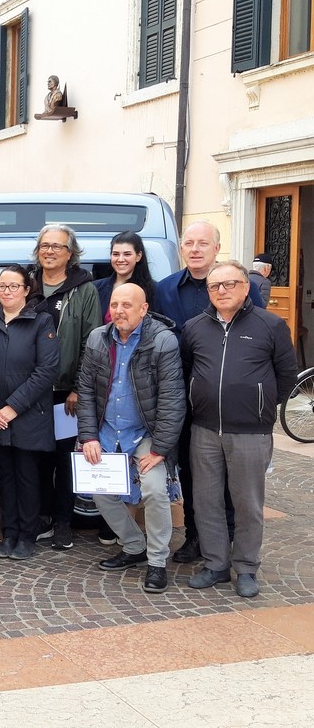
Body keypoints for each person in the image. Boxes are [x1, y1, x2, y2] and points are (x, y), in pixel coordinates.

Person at [153, 221, 267, 563]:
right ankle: (196, 536)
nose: (195, 249)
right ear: (180, 249)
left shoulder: (239, 285)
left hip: (234, 402)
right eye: (189, 243)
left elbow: (263, 339)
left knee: (234, 475)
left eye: (203, 243)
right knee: (192, 472)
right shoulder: (165, 288)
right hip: (184, 398)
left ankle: (231, 537)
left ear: (217, 248)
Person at [182, 261, 296, 598]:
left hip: (250, 432)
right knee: (206, 501)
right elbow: (188, 369)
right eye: (215, 286)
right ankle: (216, 563)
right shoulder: (194, 327)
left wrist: (260, 405)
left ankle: (246, 567)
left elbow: (287, 375)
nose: (221, 290)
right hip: (203, 429)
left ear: (246, 287)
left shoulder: (271, 325)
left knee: (248, 503)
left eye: (229, 284)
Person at [77, 284, 185, 594]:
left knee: (153, 490)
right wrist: (88, 436)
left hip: (146, 433)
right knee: (99, 491)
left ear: (144, 309)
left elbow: (172, 399)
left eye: (127, 304)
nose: (119, 310)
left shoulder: (162, 340)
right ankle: (134, 545)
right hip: (108, 431)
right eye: (115, 304)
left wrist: (162, 447)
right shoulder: (98, 337)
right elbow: (85, 391)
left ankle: (157, 561)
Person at [0, 265, 59, 561]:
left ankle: (27, 536)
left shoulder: (42, 321)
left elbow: (46, 371)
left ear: (26, 290)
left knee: (27, 477)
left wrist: (12, 407)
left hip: (28, 416)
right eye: (3, 286)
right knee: (5, 477)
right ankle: (9, 534)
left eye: (13, 286)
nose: (6, 291)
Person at [32, 224, 100, 551]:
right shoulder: (29, 285)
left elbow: (91, 341)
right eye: (45, 245)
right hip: (33, 392)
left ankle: (63, 522)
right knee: (38, 458)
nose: (49, 251)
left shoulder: (83, 289)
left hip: (64, 394)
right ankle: (43, 517)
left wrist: (77, 388)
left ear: (70, 253)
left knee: (63, 459)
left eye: (57, 246)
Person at [93, 231, 156, 322]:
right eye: (116, 254)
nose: (121, 259)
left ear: (138, 256)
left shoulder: (154, 290)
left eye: (127, 254)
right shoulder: (96, 288)